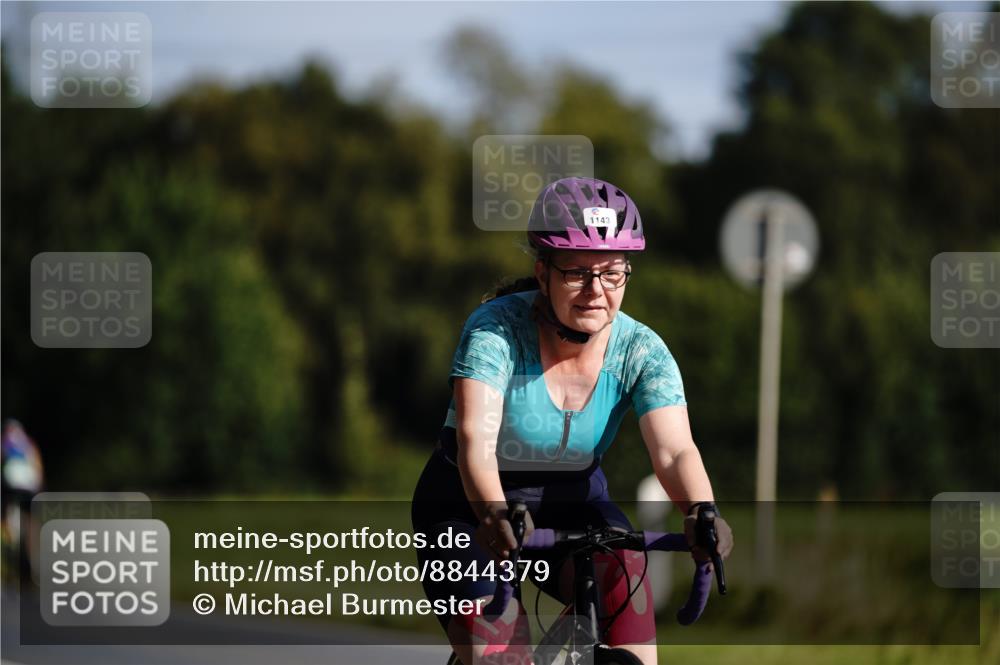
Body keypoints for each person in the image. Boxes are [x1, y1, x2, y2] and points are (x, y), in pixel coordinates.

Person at [411, 177, 733, 665]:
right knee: (500, 650)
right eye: (576, 273)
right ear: (543, 273)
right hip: (468, 502)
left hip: (573, 500)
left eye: (611, 273)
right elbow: (476, 440)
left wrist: (702, 511)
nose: (595, 291)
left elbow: (674, 451)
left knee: (629, 579)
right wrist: (494, 515)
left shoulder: (641, 349)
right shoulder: (496, 331)